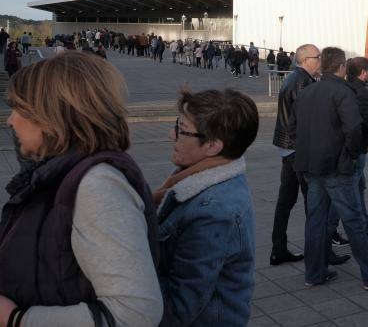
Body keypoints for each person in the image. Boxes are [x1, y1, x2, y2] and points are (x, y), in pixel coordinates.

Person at [0, 51, 162, 326]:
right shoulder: (58, 171)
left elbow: (136, 312)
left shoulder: (96, 185)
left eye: (19, 109)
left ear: (51, 115)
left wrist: (17, 319)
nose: (10, 120)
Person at [293, 47, 368, 290]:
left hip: (311, 166)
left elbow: (294, 127)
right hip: (336, 167)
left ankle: (314, 272)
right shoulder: (344, 92)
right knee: (353, 221)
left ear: (323, 65)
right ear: (341, 67)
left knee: (316, 220)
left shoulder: (307, 92)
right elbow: (353, 128)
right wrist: (351, 156)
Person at [154, 88, 257, 325]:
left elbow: (179, 307)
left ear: (212, 146)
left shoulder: (213, 212)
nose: (172, 135)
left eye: (181, 130)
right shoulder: (192, 178)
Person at [269, 44, 328, 265]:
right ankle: (319, 254)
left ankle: (278, 249)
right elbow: (306, 119)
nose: (321, 60)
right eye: (318, 56)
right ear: (305, 60)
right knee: (312, 202)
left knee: (286, 200)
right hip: (299, 149)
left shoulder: (293, 78)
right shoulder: (304, 82)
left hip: (287, 147)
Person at [328, 57, 368, 245]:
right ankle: (332, 229)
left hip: (349, 147)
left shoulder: (345, 88)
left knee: (358, 188)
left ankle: (364, 224)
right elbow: (361, 124)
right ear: (362, 72)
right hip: (357, 149)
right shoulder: (361, 93)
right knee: (348, 191)